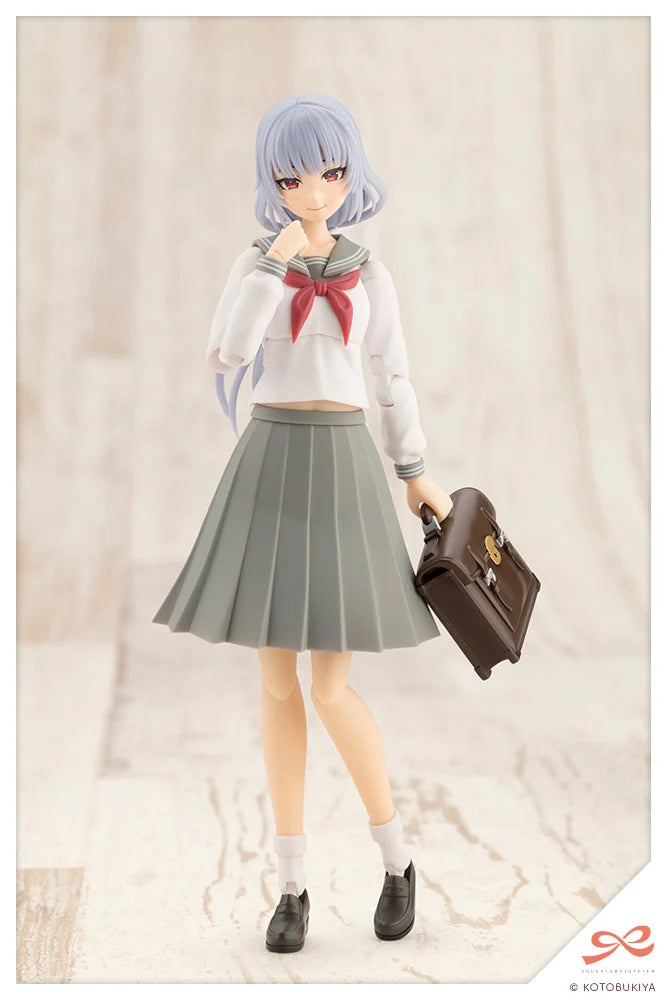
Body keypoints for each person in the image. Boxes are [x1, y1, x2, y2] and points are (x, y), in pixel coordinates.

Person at [153, 94, 452, 953]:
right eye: (292, 177)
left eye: (329, 172)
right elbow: (228, 353)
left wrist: (414, 470)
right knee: (276, 682)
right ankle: (290, 885)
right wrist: (272, 265)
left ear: (350, 173)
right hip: (271, 461)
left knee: (329, 685)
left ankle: (395, 860)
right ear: (272, 183)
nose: (313, 190)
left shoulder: (371, 273)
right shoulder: (256, 265)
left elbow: (391, 377)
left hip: (344, 463)